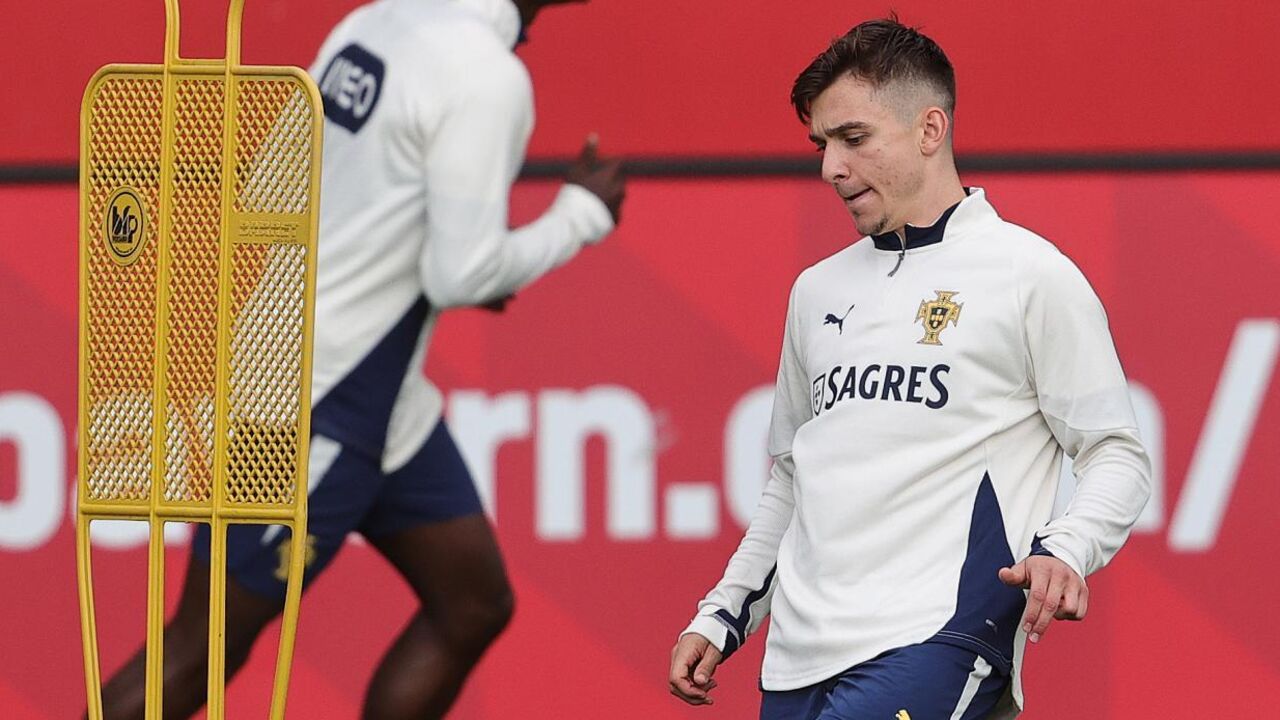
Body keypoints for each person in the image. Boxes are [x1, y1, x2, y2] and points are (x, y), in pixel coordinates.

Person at [97, 0, 624, 718]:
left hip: (366, 394)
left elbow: (273, 185)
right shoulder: (487, 76)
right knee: (198, 653)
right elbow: (460, 275)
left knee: (472, 603)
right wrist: (580, 215)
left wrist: (436, 258)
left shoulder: (377, 19)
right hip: (318, 405)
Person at [668, 17, 1150, 720]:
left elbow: (1119, 454)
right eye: (823, 144)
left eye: (854, 139)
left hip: (937, 638)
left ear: (930, 131)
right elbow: (794, 478)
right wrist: (721, 614)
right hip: (798, 657)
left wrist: (1066, 548)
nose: (831, 167)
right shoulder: (816, 290)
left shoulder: (1030, 274)